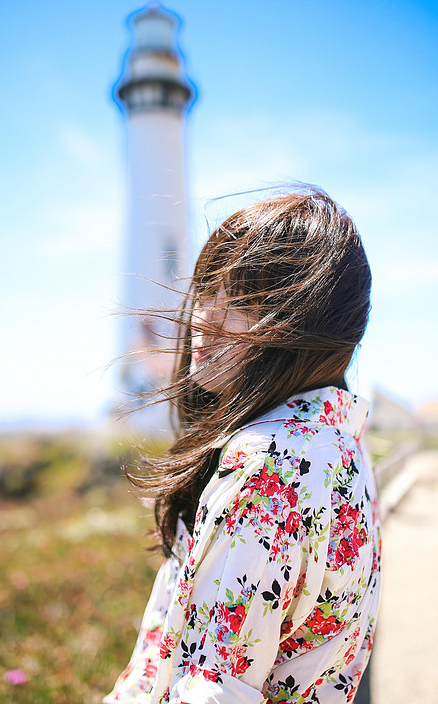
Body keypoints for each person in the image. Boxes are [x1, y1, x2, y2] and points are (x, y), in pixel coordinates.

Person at [104, 187, 381, 704]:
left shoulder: (269, 464)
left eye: (246, 304)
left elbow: (210, 691)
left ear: (306, 326)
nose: (206, 318)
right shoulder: (338, 444)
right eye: (209, 290)